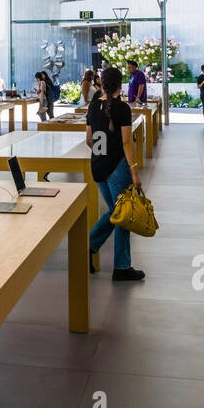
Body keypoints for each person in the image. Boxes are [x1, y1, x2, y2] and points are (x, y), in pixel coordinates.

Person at [85, 67, 143, 282]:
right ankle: (121, 266)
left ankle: (90, 245)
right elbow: (127, 142)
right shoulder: (121, 108)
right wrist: (135, 173)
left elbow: (89, 140)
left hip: (98, 167)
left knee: (115, 211)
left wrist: (102, 152)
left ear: (102, 83)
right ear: (120, 84)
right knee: (123, 216)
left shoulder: (93, 105)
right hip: (117, 169)